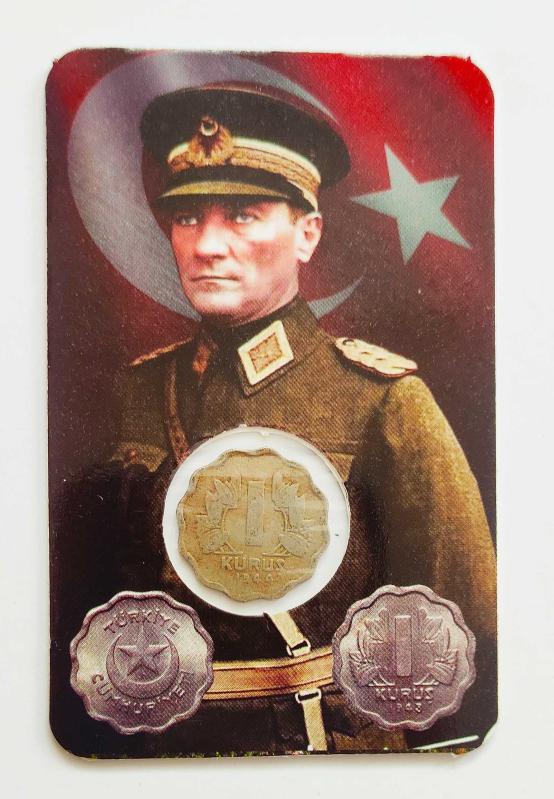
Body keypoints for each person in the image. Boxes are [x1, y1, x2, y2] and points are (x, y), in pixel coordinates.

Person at [55, 87, 496, 757]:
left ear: (307, 233)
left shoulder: (379, 400)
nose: (207, 245)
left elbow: (471, 639)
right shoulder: (138, 392)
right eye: (186, 216)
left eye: (242, 214)